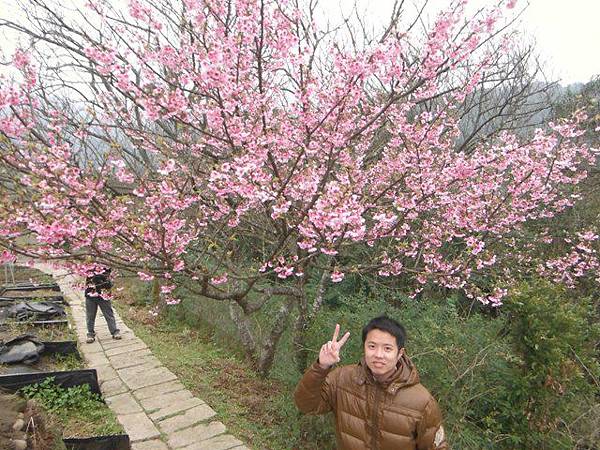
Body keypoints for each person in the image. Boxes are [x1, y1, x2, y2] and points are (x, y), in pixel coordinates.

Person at [294, 316, 448, 450]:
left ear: (400, 353)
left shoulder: (422, 401)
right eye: (372, 346)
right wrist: (321, 366)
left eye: (387, 348)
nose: (378, 355)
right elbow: (307, 405)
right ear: (364, 348)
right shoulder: (342, 378)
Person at [84, 267, 121, 343]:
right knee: (90, 315)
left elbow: (108, 282)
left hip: (104, 294)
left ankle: (114, 331)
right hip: (90, 294)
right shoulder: (89, 266)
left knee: (108, 314)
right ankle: (90, 333)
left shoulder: (106, 267)